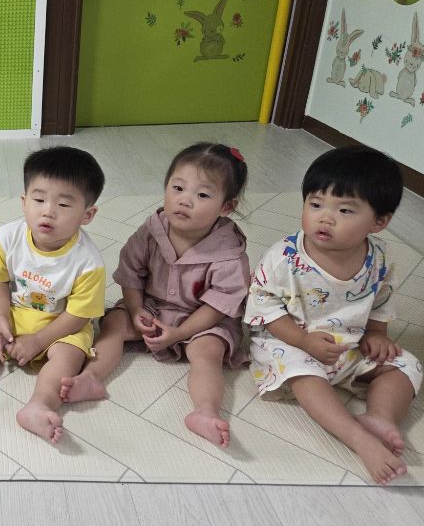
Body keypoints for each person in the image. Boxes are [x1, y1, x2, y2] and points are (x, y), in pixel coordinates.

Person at [245, 146, 422, 485]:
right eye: (315, 205)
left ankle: (380, 417)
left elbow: (381, 300)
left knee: (408, 365)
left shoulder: (380, 259)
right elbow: (263, 307)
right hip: (289, 341)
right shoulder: (283, 258)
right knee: (304, 375)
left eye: (344, 210)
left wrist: (377, 334)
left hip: (349, 346)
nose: (325, 218)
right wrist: (302, 340)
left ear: (379, 222)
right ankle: (358, 438)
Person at [64, 143, 249, 447]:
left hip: (202, 321)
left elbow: (219, 304)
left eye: (202, 195)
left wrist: (181, 333)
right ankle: (91, 378)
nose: (184, 200)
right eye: (178, 188)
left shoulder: (228, 251)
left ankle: (205, 411)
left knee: (207, 354)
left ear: (226, 207)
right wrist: (136, 309)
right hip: (151, 307)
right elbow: (131, 273)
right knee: (113, 325)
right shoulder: (153, 230)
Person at [0, 147, 106, 444]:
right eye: (39, 200)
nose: (48, 211)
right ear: (24, 201)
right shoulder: (8, 236)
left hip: (61, 325)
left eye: (64, 204)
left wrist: (39, 340)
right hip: (15, 310)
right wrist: (1, 318)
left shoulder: (88, 262)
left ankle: (40, 404)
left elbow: (79, 316)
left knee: (69, 355)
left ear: (87, 214)